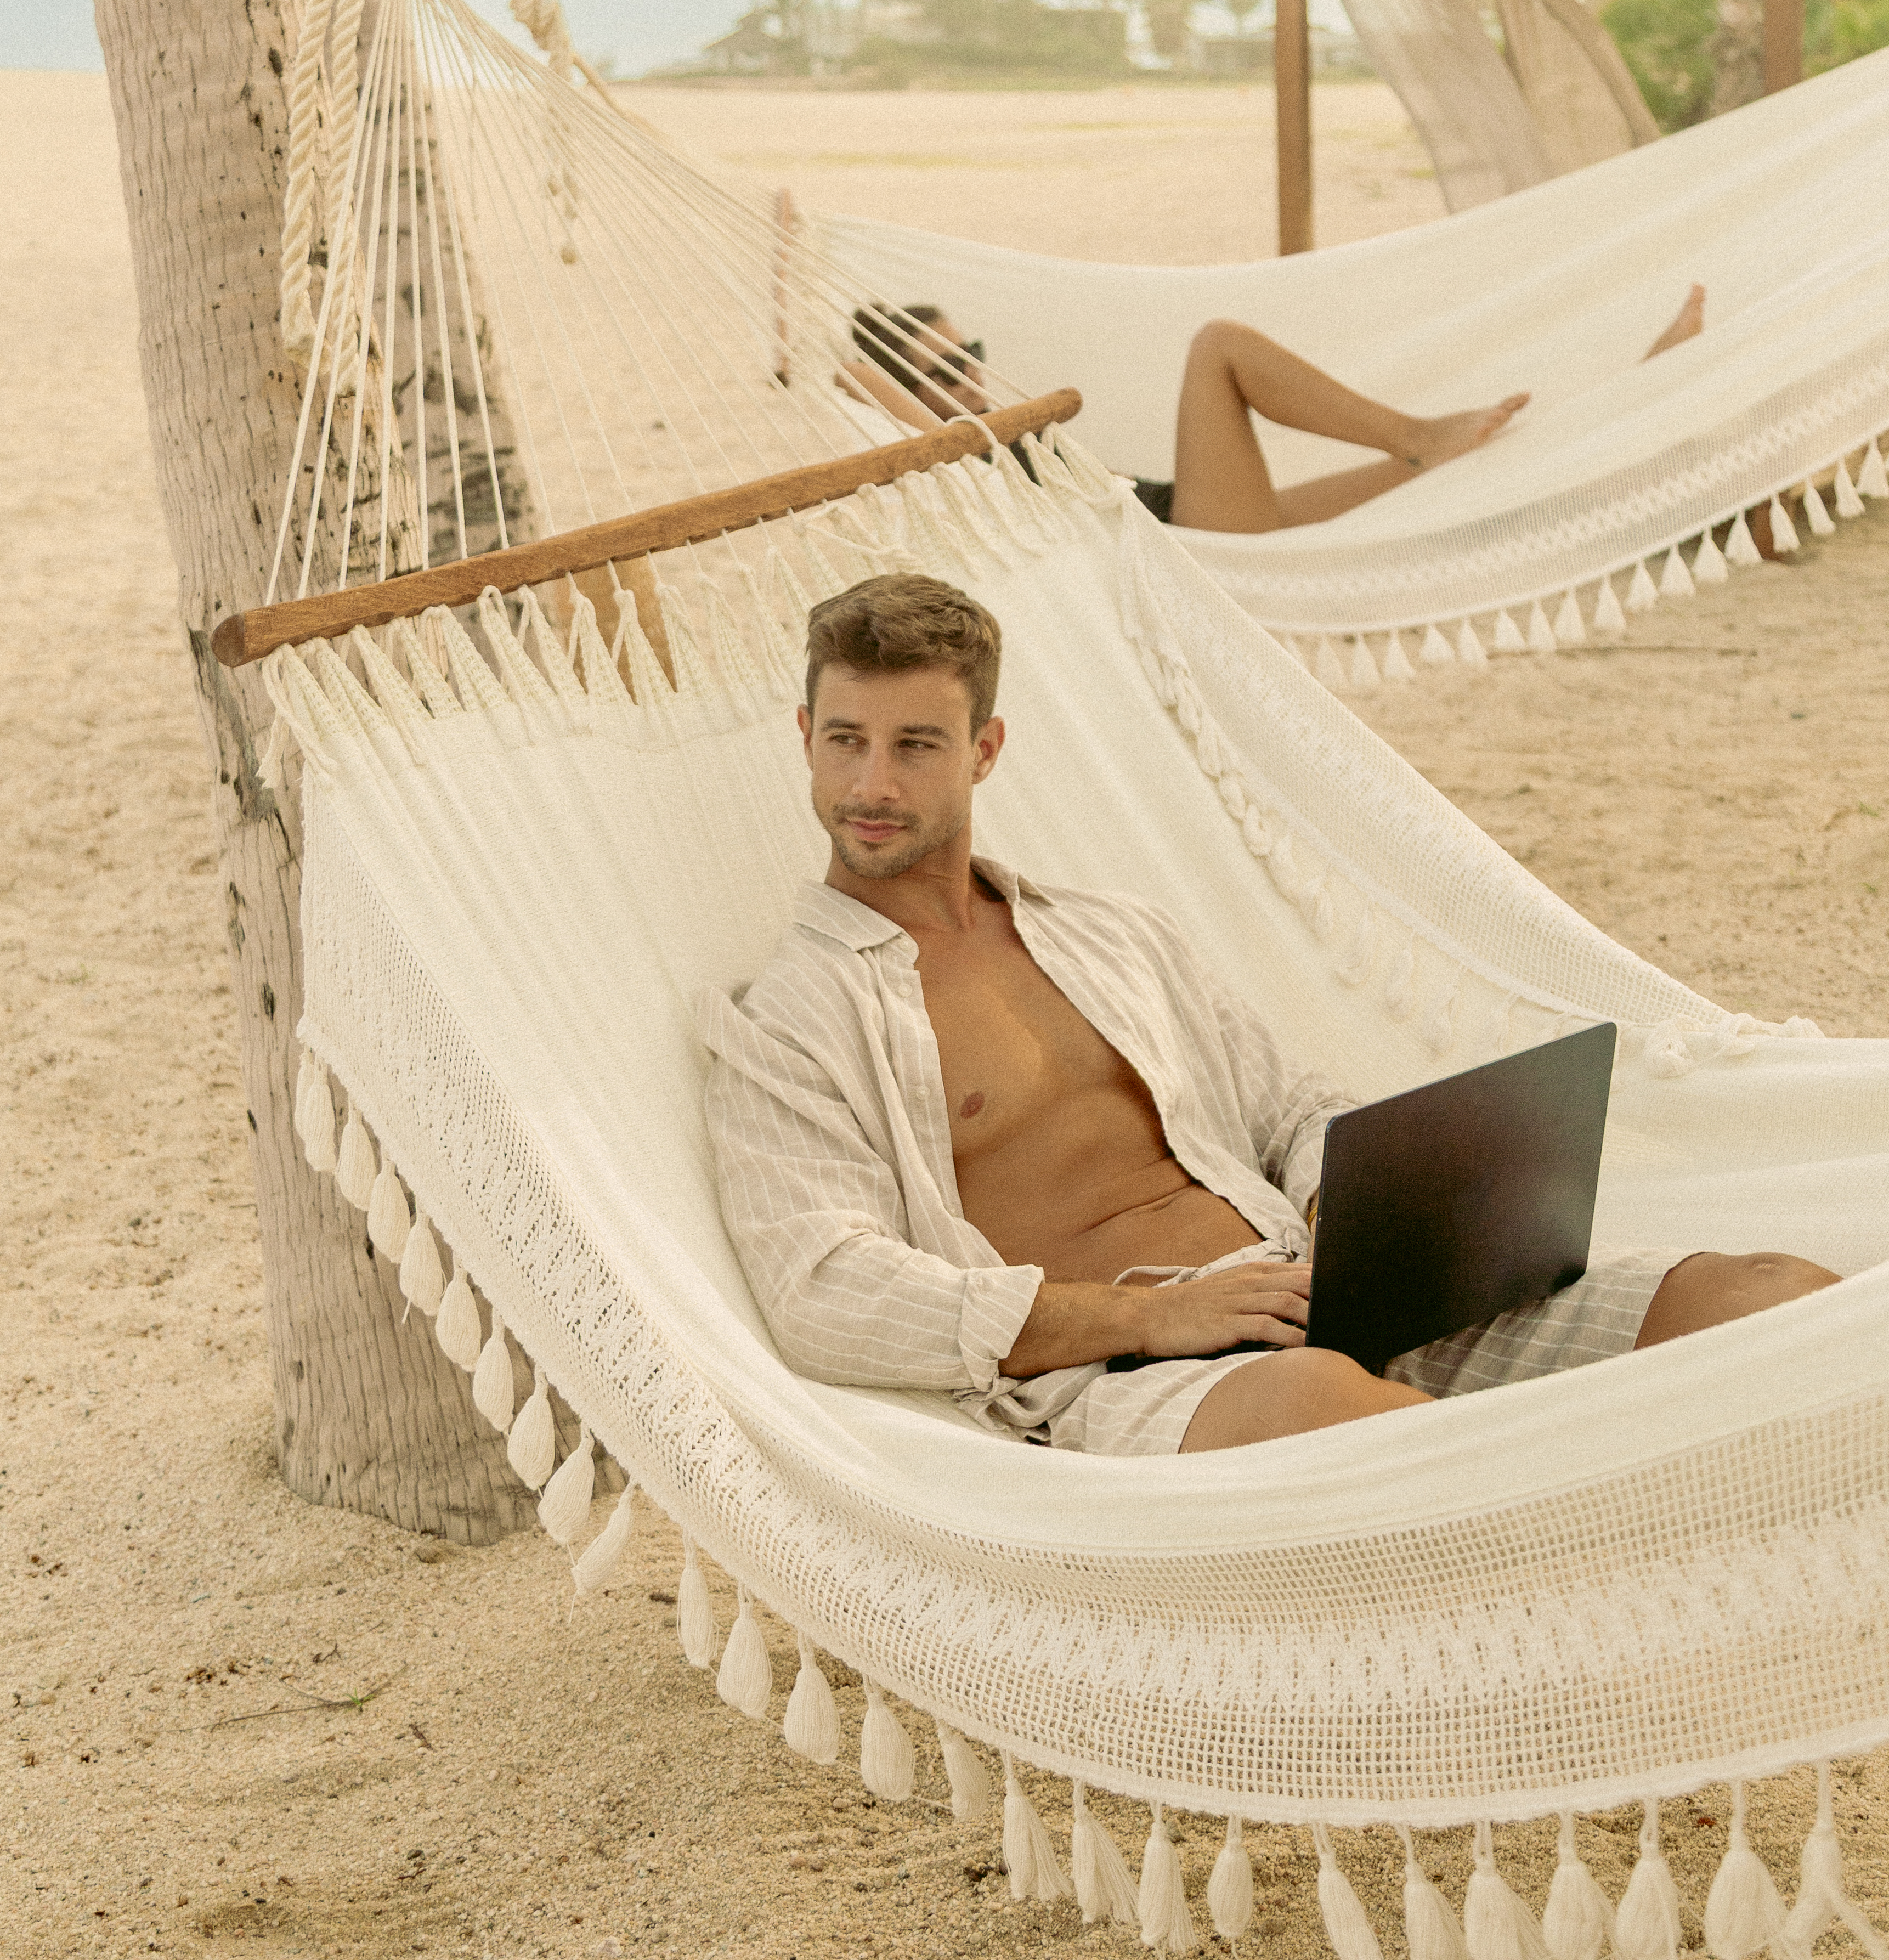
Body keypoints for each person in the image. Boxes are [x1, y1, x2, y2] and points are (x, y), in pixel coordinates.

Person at [699, 571, 1835, 1456]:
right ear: (805, 736)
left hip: (1312, 1287)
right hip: (1143, 1376)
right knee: (1357, 1417)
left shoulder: (1112, 931)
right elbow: (823, 1291)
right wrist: (1148, 1319)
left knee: (1767, 1299)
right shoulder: (788, 1022)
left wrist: (1356, 1209)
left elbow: (1288, 1106)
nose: (873, 786)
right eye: (846, 740)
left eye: (915, 744)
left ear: (985, 751)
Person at [842, 285, 1706, 535]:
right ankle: (1411, 430)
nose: (966, 379)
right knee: (1219, 345)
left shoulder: (993, 430)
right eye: (942, 370)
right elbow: (846, 372)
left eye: (971, 357)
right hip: (1182, 547)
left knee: (1448, 469)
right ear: (904, 396)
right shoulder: (938, 448)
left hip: (1185, 515)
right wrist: (793, 285)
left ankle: (1633, 392)